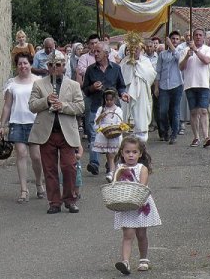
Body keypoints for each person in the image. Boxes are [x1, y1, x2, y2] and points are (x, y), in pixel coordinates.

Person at [28, 49, 84, 214]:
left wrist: (64, 106)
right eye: (51, 65)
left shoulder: (73, 85)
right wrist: (46, 101)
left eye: (58, 65)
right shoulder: (39, 84)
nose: (54, 68)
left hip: (67, 133)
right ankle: (54, 202)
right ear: (47, 66)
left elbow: (81, 107)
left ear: (64, 66)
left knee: (69, 167)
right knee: (50, 169)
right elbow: (32, 105)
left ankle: (70, 199)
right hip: (47, 132)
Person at [0, 53, 45, 203]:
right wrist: (2, 124)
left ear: (30, 65)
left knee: (36, 157)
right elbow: (7, 106)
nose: (23, 66)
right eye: (19, 64)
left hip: (35, 122)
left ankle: (38, 182)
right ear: (16, 66)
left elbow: (44, 103)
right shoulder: (12, 84)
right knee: (21, 154)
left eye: (25, 63)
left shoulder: (38, 82)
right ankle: (24, 189)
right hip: (17, 122)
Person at [113, 136, 161, 275]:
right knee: (128, 234)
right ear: (122, 153)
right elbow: (115, 184)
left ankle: (144, 259)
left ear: (140, 154)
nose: (131, 155)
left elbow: (142, 186)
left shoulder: (142, 168)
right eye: (127, 152)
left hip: (139, 204)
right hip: (126, 205)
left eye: (134, 152)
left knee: (141, 233)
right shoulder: (119, 168)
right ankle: (125, 262)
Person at [83, 41, 128, 176]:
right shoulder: (90, 69)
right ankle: (94, 163)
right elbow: (85, 90)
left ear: (106, 54)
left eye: (98, 52)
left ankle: (111, 165)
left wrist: (123, 94)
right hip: (95, 106)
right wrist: (92, 87)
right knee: (93, 135)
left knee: (113, 136)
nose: (95, 54)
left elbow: (121, 86)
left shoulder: (116, 68)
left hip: (113, 109)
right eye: (94, 51)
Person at [179, 28, 210, 148]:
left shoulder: (208, 49)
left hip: (203, 84)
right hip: (190, 84)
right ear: (193, 37)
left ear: (203, 37)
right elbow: (181, 67)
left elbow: (206, 61)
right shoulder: (185, 50)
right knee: (193, 112)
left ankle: (206, 136)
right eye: (196, 35)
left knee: (204, 111)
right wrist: (187, 57)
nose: (198, 37)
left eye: (200, 35)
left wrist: (196, 50)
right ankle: (196, 137)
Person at [120, 34, 156, 144]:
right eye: (132, 48)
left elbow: (151, 75)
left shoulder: (145, 61)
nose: (134, 51)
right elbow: (121, 78)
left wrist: (137, 65)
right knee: (127, 118)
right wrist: (130, 66)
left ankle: (141, 140)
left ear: (141, 49)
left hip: (142, 94)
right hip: (128, 93)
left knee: (141, 118)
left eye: (137, 48)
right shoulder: (124, 62)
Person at [154, 31, 184, 145]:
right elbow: (158, 71)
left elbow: (179, 58)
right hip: (164, 86)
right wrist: (156, 87)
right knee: (162, 111)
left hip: (176, 85)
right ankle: (165, 130)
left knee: (175, 110)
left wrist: (171, 46)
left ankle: (174, 134)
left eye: (177, 39)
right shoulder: (162, 54)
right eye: (173, 39)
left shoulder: (181, 51)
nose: (175, 41)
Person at [92, 88, 123, 183]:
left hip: (114, 133)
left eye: (111, 100)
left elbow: (120, 122)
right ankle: (112, 172)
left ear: (115, 99)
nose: (109, 102)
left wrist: (118, 128)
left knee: (112, 154)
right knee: (109, 154)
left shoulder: (118, 110)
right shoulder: (101, 109)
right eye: (107, 100)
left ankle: (112, 171)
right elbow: (96, 123)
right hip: (104, 133)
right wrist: (102, 116)